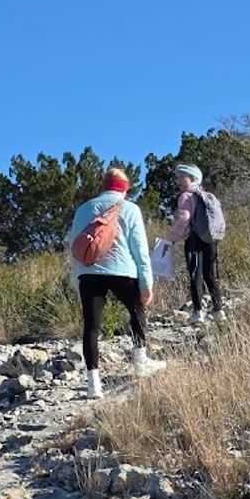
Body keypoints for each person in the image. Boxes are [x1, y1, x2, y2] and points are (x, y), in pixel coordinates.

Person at [70, 167, 166, 399]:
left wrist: (77, 278)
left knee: (91, 327)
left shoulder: (82, 210)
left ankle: (93, 384)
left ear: (103, 185)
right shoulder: (131, 209)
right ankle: (140, 361)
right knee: (136, 312)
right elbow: (140, 250)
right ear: (125, 189)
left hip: (89, 273)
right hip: (123, 270)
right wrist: (146, 283)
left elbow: (74, 246)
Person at [168, 163, 225, 323]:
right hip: (211, 239)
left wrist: (173, 237)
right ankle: (218, 310)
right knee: (210, 274)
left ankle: (198, 312)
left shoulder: (186, 196)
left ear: (192, 178)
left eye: (181, 177)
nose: (178, 180)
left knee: (195, 275)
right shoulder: (208, 196)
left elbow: (183, 219)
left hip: (194, 239)